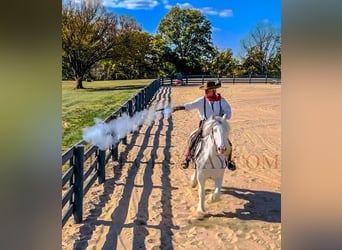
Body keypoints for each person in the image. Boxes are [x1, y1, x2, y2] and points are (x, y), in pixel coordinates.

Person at [172, 80, 236, 170]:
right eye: (205, 90)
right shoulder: (202, 100)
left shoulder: (221, 100)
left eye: (208, 90)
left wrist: (223, 119)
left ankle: (229, 161)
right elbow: (190, 105)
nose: (206, 92)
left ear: (213, 90)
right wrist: (179, 107)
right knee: (194, 138)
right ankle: (187, 158)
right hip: (205, 124)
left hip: (218, 123)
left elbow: (228, 111)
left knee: (227, 142)